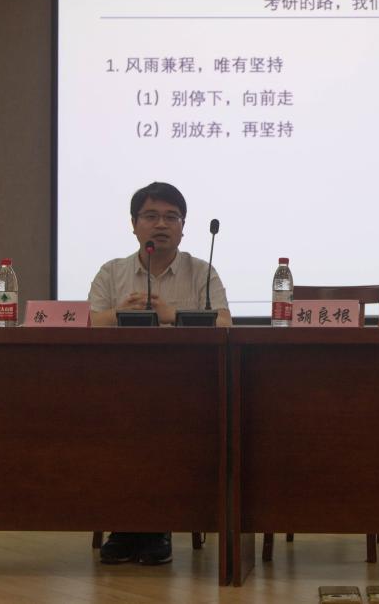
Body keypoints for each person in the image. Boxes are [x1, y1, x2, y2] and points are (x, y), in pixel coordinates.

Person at [88, 181, 230, 565]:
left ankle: (155, 526)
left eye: (171, 217)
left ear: (183, 227)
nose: (161, 224)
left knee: (162, 424)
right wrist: (120, 313)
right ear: (134, 225)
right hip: (119, 388)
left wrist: (170, 314)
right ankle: (125, 527)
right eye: (151, 216)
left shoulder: (201, 272)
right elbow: (89, 323)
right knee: (116, 425)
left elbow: (225, 323)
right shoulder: (112, 272)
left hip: (186, 390)